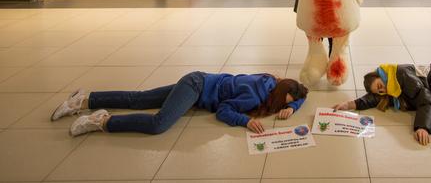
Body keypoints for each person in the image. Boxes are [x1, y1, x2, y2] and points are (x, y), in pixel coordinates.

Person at [51, 72, 308, 136]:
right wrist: (246, 120)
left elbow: (303, 93)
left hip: (197, 80)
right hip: (195, 88)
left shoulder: (270, 81)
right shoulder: (253, 97)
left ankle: (84, 100)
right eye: (278, 105)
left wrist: (292, 106)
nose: (277, 109)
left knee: (139, 98)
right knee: (158, 124)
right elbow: (223, 111)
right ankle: (101, 120)